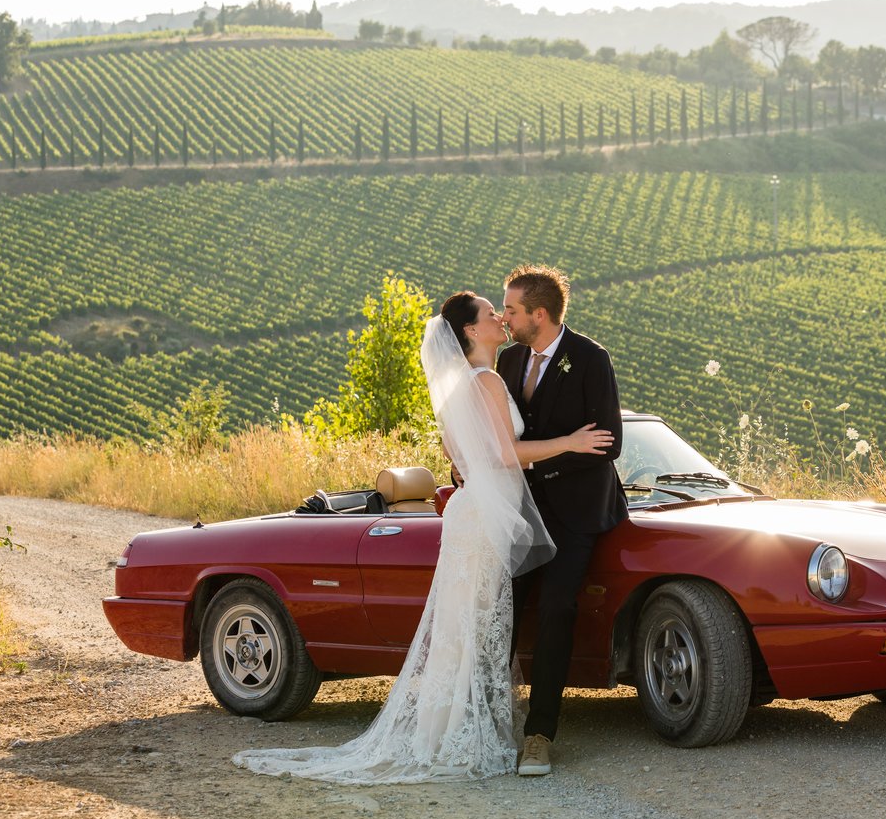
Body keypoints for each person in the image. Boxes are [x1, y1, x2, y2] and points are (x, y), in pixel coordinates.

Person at [231, 291, 612, 784]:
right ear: (472, 332)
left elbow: (467, 456)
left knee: (467, 626)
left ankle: (447, 731)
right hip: (485, 517)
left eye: (505, 310)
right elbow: (500, 454)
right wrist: (570, 442)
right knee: (477, 626)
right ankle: (466, 735)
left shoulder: (462, 385)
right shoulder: (491, 379)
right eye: (491, 313)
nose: (500, 317)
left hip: (473, 511)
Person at [498, 265, 627, 777]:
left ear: (539, 314)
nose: (504, 317)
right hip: (520, 512)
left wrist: (534, 460)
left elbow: (607, 442)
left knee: (555, 608)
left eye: (511, 310)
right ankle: (487, 722)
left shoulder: (592, 359)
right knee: (500, 609)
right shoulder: (507, 361)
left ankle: (539, 735)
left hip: (576, 514)